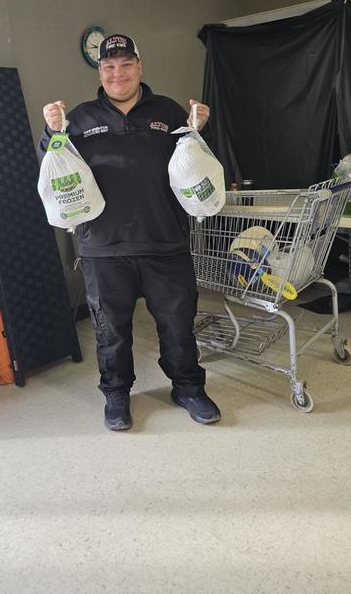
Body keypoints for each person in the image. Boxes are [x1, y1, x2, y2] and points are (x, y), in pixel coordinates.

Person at [39, 33, 221, 430]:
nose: (117, 73)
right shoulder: (80, 119)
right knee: (111, 332)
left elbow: (193, 166)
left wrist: (197, 130)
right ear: (100, 72)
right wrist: (52, 133)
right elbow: (56, 167)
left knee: (177, 325)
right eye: (109, 66)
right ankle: (117, 394)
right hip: (102, 247)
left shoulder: (170, 111)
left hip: (166, 242)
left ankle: (188, 387)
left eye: (125, 65)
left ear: (140, 67)